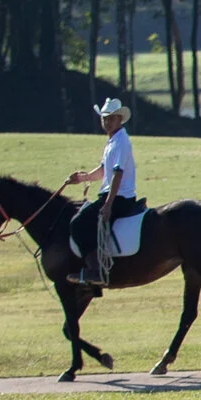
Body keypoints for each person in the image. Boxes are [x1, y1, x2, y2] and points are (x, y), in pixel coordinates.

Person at [66, 98, 146, 284]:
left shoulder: (121, 142)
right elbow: (104, 170)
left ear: (120, 119)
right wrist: (82, 178)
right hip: (114, 195)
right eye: (104, 119)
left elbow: (118, 173)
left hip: (119, 198)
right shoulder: (113, 141)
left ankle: (96, 271)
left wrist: (109, 204)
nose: (107, 122)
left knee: (78, 225)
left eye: (111, 119)